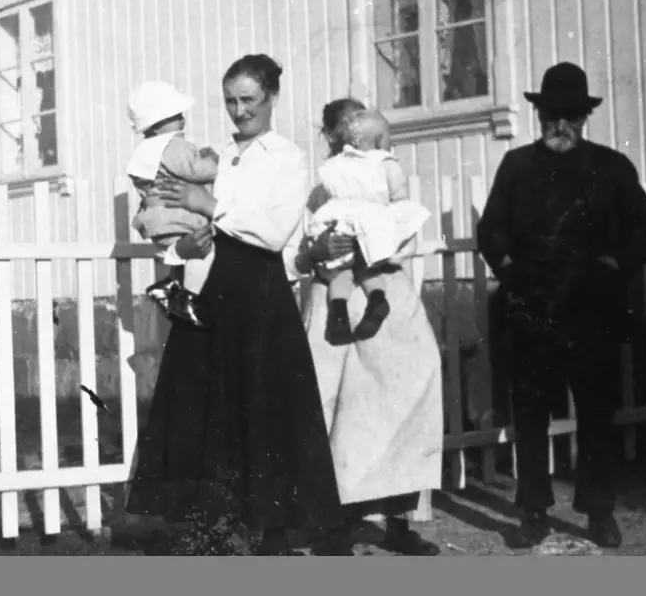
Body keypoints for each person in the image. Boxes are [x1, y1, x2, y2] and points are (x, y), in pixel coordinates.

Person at [123, 54, 346, 556]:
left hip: (260, 294)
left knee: (268, 412)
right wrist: (185, 247)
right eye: (230, 100)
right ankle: (212, 529)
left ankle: (275, 532)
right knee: (206, 412)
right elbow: (171, 234)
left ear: (271, 98)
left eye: (249, 100)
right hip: (208, 293)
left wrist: (208, 206)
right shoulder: (207, 154)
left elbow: (272, 231)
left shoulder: (286, 157)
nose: (239, 111)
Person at [476, 62, 646, 549]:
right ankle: (533, 510)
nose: (561, 126)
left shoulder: (612, 168)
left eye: (572, 116)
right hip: (531, 308)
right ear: (539, 115)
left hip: (592, 310)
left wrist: (613, 265)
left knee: (598, 414)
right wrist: (512, 272)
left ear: (585, 117)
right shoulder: (517, 166)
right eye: (553, 115)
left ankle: (599, 511)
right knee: (532, 413)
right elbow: (490, 230)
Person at [294, 99, 445, 556]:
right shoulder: (322, 189)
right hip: (334, 300)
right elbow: (299, 254)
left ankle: (399, 520)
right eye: (342, 134)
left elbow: (408, 228)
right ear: (334, 139)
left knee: (405, 390)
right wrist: (321, 248)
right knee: (338, 404)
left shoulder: (385, 176)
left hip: (385, 293)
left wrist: (373, 236)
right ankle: (334, 522)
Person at [306, 108, 431, 343]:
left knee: (339, 275)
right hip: (370, 236)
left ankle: (339, 313)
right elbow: (400, 204)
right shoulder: (384, 164)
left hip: (344, 235)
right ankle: (374, 301)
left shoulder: (334, 172)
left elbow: (320, 209)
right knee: (366, 270)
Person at [125, 80, 217, 329]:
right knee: (202, 251)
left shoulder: (145, 151)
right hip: (178, 217)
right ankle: (188, 297)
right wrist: (211, 158)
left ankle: (168, 286)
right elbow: (196, 170)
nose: (182, 120)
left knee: (183, 254)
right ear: (156, 125)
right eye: (175, 115)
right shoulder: (174, 146)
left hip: (158, 220)